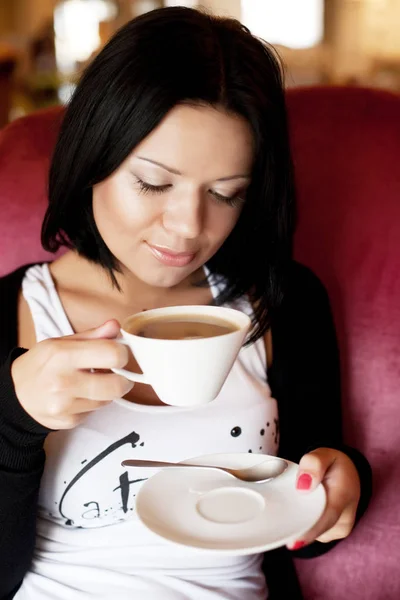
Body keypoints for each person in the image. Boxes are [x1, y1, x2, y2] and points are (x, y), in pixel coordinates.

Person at [0, 7, 372, 600]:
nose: (186, 228)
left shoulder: (284, 302)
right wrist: (14, 417)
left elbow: (313, 499)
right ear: (93, 156)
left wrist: (342, 482)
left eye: (226, 195)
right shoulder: (12, 311)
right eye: (153, 183)